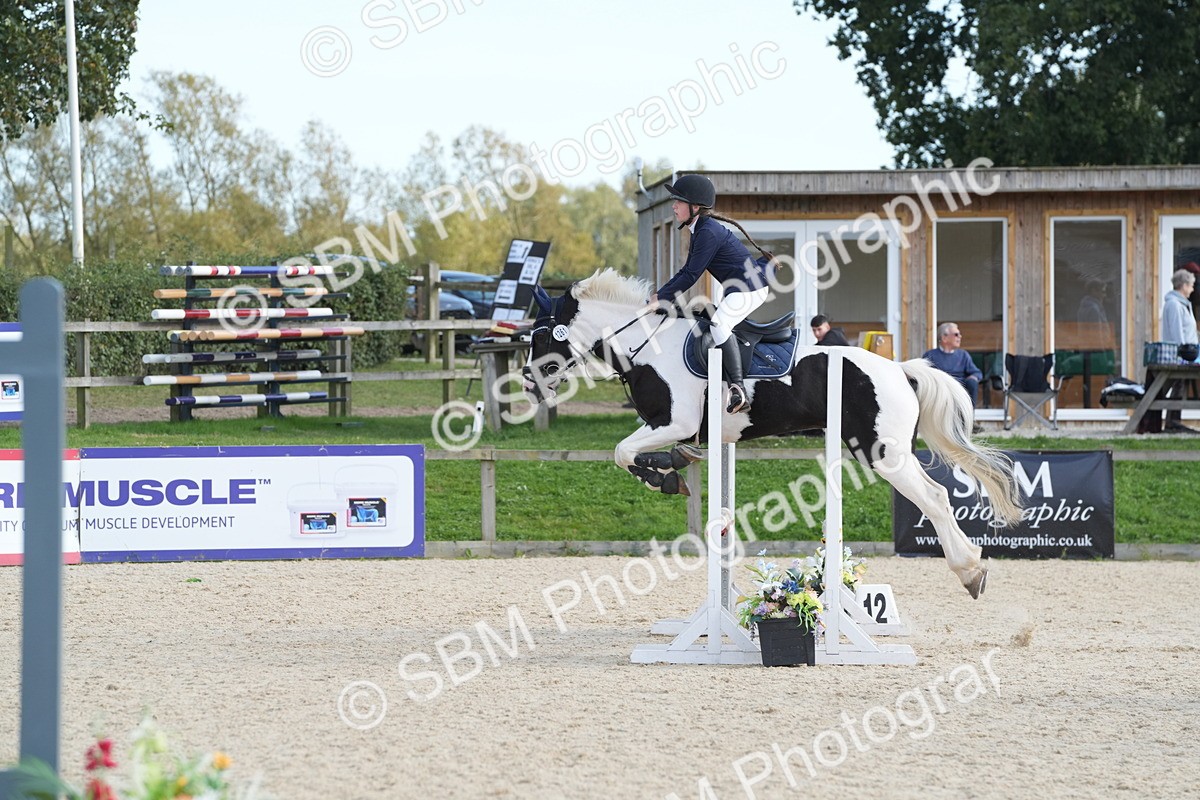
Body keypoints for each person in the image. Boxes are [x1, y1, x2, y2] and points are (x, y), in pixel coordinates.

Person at [648, 174, 773, 413]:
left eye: (678, 201)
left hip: (751, 288)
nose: (674, 206)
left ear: (695, 207)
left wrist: (661, 297)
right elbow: (687, 271)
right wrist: (661, 295)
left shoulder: (707, 232)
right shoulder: (700, 229)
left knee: (718, 325)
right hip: (738, 288)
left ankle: (738, 390)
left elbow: (691, 275)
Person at [1145, 269, 1199, 433]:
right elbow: (1177, 333)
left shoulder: (1182, 304)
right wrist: (1184, 351)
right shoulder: (1174, 305)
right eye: (1191, 285)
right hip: (1180, 355)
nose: (1192, 289)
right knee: (1175, 385)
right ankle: (1172, 422)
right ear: (1183, 286)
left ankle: (1173, 421)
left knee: (1179, 386)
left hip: (1187, 355)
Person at [922, 322, 983, 407]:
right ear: (944, 338)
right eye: (956, 334)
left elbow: (977, 372)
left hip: (960, 389)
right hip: (940, 390)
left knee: (972, 383)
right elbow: (923, 375)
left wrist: (973, 377)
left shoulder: (963, 355)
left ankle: (969, 417)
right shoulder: (930, 355)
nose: (960, 337)